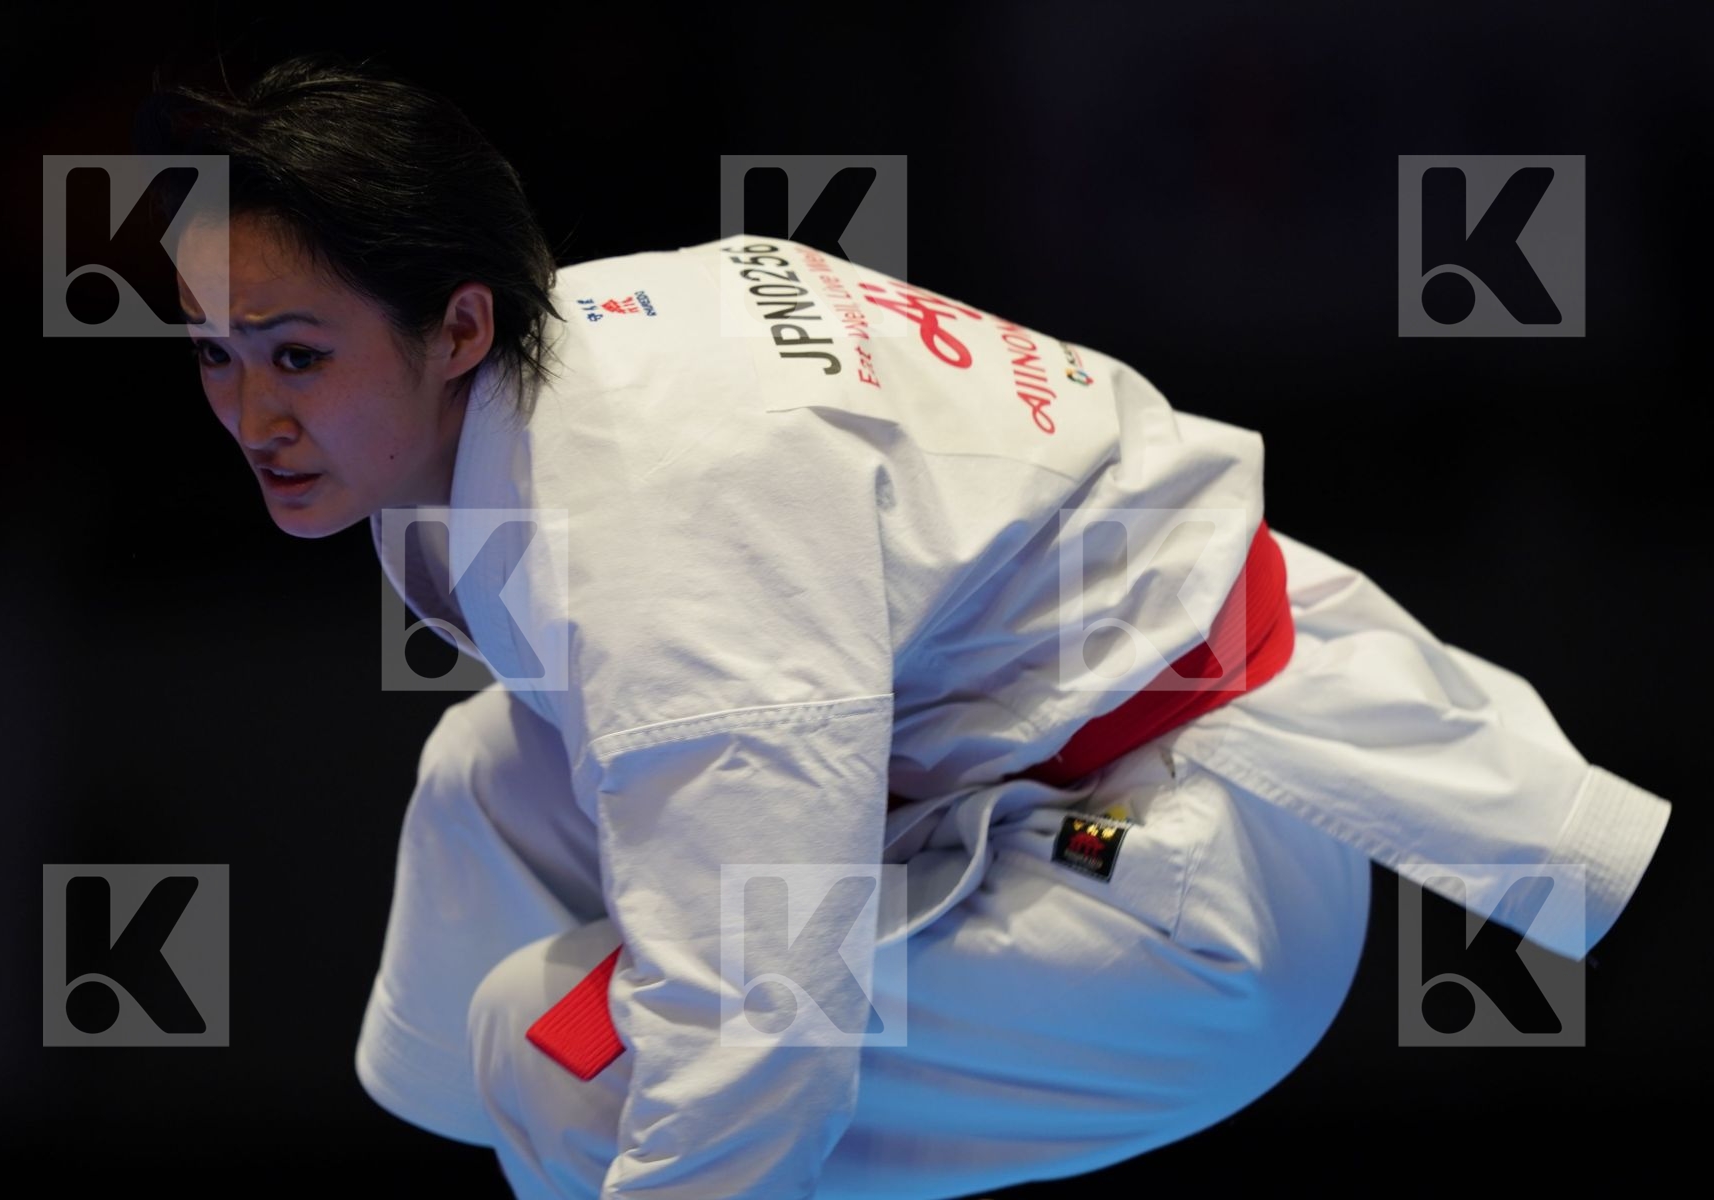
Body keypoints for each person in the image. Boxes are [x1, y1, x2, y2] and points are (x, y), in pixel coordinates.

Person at [139, 53, 1672, 1200]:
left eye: (294, 354)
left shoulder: (661, 544)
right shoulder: (575, 348)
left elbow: (761, 1027)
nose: (250, 414)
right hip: (1056, 757)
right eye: (215, 357)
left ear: (460, 325)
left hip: (1177, 888)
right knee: (484, 782)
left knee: (556, 1054)